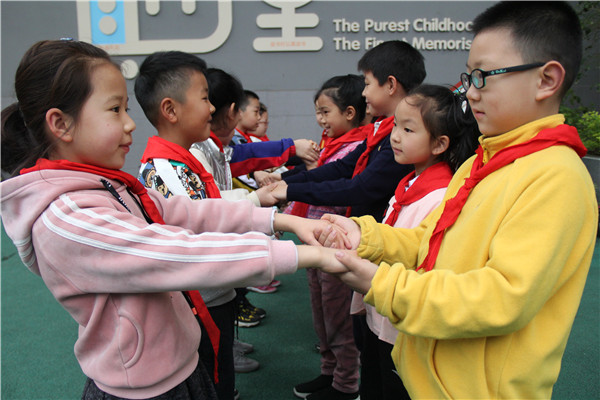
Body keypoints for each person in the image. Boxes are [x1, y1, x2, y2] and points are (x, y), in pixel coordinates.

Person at [0, 39, 341, 400]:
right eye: (115, 110)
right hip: (144, 388)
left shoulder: (106, 186)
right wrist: (306, 254)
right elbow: (177, 252)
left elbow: (189, 211)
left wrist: (284, 222)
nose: (130, 123)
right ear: (61, 124)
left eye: (126, 108)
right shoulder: (69, 217)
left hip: (175, 362)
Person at [315, 2, 598, 399]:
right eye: (469, 77)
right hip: (427, 378)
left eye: (483, 76)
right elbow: (428, 240)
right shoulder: (481, 163)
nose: (470, 92)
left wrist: (381, 283)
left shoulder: (556, 176)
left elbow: (500, 297)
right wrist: (365, 237)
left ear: (546, 80)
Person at [134, 51, 279, 400]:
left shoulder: (183, 160)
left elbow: (210, 210)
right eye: (203, 98)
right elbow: (203, 230)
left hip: (213, 293)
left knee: (220, 376)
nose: (212, 108)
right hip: (200, 299)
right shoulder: (166, 169)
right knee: (212, 382)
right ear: (171, 110)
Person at [350, 84, 480, 400]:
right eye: (395, 125)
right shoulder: (409, 182)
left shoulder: (440, 196)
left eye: (408, 130)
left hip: (400, 322)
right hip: (382, 309)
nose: (395, 136)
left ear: (439, 144)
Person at [269, 40, 425, 222]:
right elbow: (342, 167)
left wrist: (289, 190)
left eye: (367, 84)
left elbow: (359, 188)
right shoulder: (380, 130)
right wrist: (286, 182)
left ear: (391, 85)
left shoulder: (399, 140)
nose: (364, 93)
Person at [288, 75, 368, 400]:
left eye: (325, 112)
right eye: (317, 112)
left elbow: (330, 184)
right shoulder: (331, 145)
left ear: (350, 112)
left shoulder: (358, 147)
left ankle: (346, 383)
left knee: (338, 316)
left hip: (336, 247)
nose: (320, 120)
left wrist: (295, 183)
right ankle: (329, 371)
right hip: (315, 242)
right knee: (321, 313)